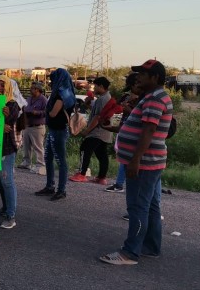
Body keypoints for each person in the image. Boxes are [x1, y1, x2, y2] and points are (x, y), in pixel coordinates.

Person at [100, 60, 173, 266]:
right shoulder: (151, 97)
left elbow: (148, 131)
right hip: (150, 161)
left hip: (145, 162)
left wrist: (135, 160)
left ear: (155, 78)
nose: (138, 77)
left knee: (138, 206)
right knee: (150, 206)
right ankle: (150, 246)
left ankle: (130, 252)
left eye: (143, 74)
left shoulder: (155, 99)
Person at [35, 68, 76, 201]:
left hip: (58, 130)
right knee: (48, 157)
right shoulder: (66, 92)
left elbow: (53, 113)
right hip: (54, 129)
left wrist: (46, 110)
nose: (51, 81)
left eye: (53, 79)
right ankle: (50, 186)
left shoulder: (62, 94)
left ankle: (61, 190)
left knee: (60, 160)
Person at [70, 76, 114, 185]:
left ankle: (82, 173)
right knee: (101, 154)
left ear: (101, 86)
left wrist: (87, 131)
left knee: (85, 149)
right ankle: (101, 177)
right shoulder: (105, 98)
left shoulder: (103, 99)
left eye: (96, 86)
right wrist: (88, 105)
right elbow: (96, 112)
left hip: (97, 131)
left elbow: (97, 117)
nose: (94, 88)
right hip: (104, 132)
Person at [0, 75, 21, 229]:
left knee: (6, 181)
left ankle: (11, 215)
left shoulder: (12, 104)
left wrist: (5, 117)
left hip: (6, 149)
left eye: (3, 85)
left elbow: (11, 123)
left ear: (8, 86)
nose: (0, 88)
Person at [103, 73, 141, 194]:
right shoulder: (126, 98)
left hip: (135, 136)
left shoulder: (143, 100)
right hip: (124, 131)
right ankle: (119, 183)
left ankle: (120, 184)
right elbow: (117, 112)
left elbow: (142, 119)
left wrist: (129, 109)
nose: (132, 92)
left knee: (129, 161)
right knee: (123, 159)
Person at [18, 82, 47, 173]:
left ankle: (40, 164)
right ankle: (26, 162)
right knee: (26, 146)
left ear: (38, 90)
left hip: (37, 126)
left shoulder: (43, 100)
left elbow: (46, 112)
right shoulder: (29, 99)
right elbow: (24, 108)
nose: (31, 90)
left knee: (38, 146)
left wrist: (37, 112)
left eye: (33, 88)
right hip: (27, 125)